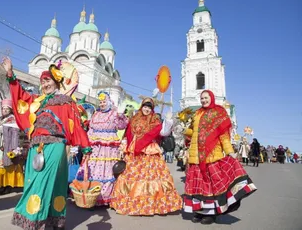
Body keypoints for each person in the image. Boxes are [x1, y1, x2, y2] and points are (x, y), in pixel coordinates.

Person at [2, 57, 91, 230]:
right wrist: (10, 74)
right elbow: (21, 96)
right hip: (36, 146)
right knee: (42, 182)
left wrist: (85, 146)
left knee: (41, 182)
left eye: (48, 80)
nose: (45, 84)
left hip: (55, 145)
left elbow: (77, 124)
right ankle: (55, 221)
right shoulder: (37, 101)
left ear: (56, 82)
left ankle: (34, 221)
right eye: (42, 81)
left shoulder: (66, 101)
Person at [183, 90, 257, 225]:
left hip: (212, 154)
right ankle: (199, 212)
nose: (204, 100)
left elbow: (223, 136)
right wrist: (184, 128)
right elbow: (193, 133)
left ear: (211, 98)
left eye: (206, 98)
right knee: (198, 185)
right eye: (202, 98)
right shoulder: (197, 113)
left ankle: (211, 214)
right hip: (196, 155)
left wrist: (230, 151)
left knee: (210, 185)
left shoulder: (218, 113)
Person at [110, 98, 183, 215]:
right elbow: (127, 133)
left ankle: (150, 203)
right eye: (145, 106)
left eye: (149, 107)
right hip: (133, 152)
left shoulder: (155, 120)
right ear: (141, 106)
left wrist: (168, 121)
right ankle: (132, 203)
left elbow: (163, 133)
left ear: (152, 109)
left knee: (150, 178)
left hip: (149, 151)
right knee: (131, 177)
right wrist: (123, 146)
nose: (147, 109)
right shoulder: (134, 118)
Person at [75, 91, 128, 207]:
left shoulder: (114, 113)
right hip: (94, 147)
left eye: (104, 101)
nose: (102, 104)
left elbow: (121, 126)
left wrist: (120, 115)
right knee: (92, 170)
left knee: (107, 171)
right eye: (100, 102)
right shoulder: (96, 114)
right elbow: (91, 129)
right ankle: (89, 195)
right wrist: (86, 144)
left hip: (108, 148)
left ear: (109, 102)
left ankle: (104, 197)